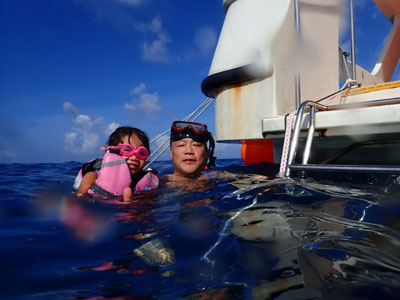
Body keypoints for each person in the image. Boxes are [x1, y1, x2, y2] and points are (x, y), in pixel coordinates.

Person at [74, 126, 159, 199]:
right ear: (112, 151)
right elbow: (81, 196)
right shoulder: (93, 175)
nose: (134, 158)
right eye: (127, 150)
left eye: (141, 153)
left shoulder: (145, 179)